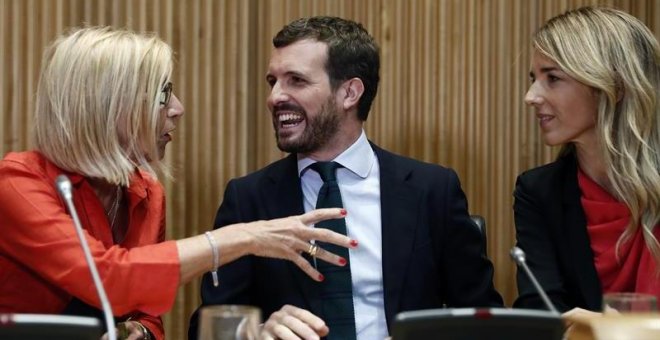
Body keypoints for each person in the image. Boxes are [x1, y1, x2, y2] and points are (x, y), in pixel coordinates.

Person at [0, 26, 357, 340]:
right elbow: (108, 279)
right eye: (162, 94)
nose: (178, 108)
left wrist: (139, 330)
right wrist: (245, 236)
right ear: (108, 105)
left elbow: (146, 311)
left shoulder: (146, 191)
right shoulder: (17, 182)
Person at [189, 16, 502, 340]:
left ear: (350, 93)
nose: (275, 97)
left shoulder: (431, 190)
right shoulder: (247, 199)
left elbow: (485, 321)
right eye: (273, 82)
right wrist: (255, 332)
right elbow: (206, 328)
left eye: (296, 80)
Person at [513, 6, 660, 323]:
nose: (530, 96)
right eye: (533, 78)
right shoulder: (538, 191)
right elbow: (539, 310)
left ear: (615, 88)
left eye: (552, 78)